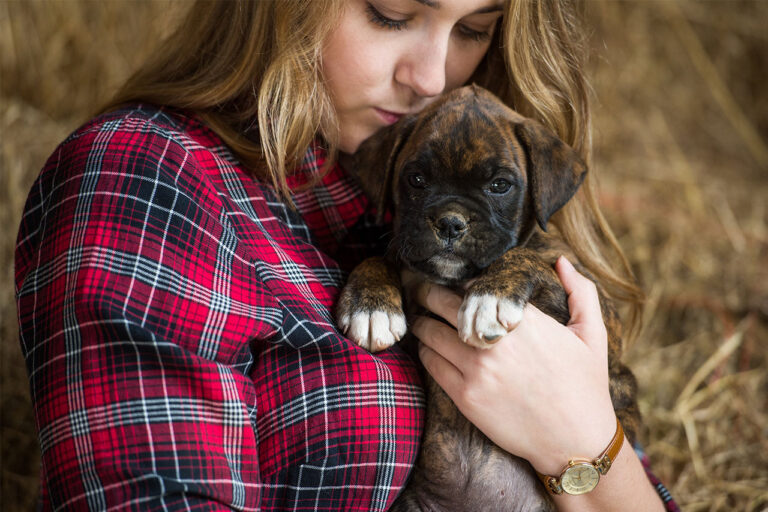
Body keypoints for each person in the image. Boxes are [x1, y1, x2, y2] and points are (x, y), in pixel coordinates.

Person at [14, 0, 678, 510]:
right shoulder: (150, 176)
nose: (432, 77)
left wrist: (584, 443)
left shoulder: (456, 187)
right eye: (390, 14)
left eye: (475, 29)